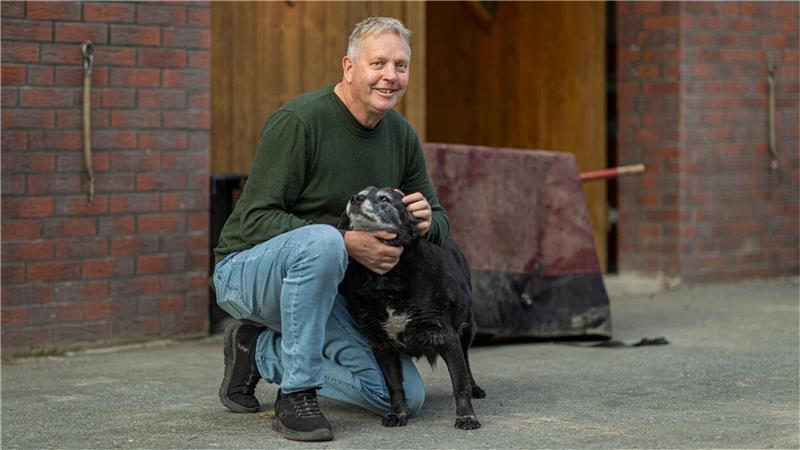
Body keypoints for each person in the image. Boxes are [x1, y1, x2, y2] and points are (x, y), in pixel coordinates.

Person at [212, 17, 449, 442]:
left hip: (329, 290)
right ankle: (297, 392)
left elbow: (439, 220)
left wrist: (428, 220)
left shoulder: (401, 135)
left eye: (401, 65)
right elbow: (251, 220)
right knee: (324, 242)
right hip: (247, 274)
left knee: (403, 397)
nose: (390, 77)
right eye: (378, 63)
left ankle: (259, 351)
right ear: (349, 67)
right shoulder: (300, 122)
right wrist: (345, 242)